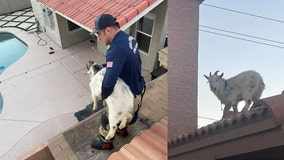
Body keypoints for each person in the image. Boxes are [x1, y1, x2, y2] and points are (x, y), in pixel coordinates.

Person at [90, 13, 145, 150]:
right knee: (124, 115)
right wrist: (106, 67)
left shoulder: (115, 50)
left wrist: (103, 95)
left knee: (108, 118)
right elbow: (129, 61)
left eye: (100, 34)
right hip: (137, 87)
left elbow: (108, 84)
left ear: (108, 30)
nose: (99, 38)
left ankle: (106, 143)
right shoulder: (129, 39)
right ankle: (122, 130)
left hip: (125, 96)